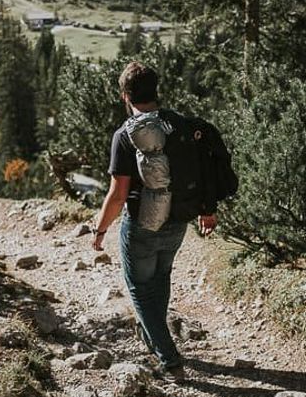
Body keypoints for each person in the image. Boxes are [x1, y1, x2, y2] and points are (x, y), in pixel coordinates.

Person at [92, 61, 217, 379]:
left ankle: (169, 358)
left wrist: (100, 229)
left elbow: (118, 194)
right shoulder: (180, 125)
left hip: (140, 224)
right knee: (160, 279)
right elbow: (200, 171)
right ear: (156, 91)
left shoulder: (125, 136)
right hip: (177, 221)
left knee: (139, 288)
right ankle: (153, 339)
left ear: (125, 96)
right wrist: (206, 208)